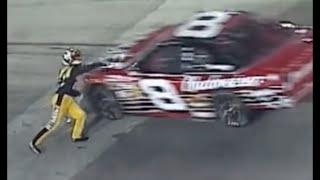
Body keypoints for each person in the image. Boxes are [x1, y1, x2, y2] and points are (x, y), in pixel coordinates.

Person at [29, 48, 106, 154]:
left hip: (67, 98)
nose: (79, 58)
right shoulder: (75, 69)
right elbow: (87, 68)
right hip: (61, 99)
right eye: (76, 57)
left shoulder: (64, 70)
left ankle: (76, 136)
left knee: (80, 115)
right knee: (53, 125)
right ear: (70, 60)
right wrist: (100, 64)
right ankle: (34, 143)